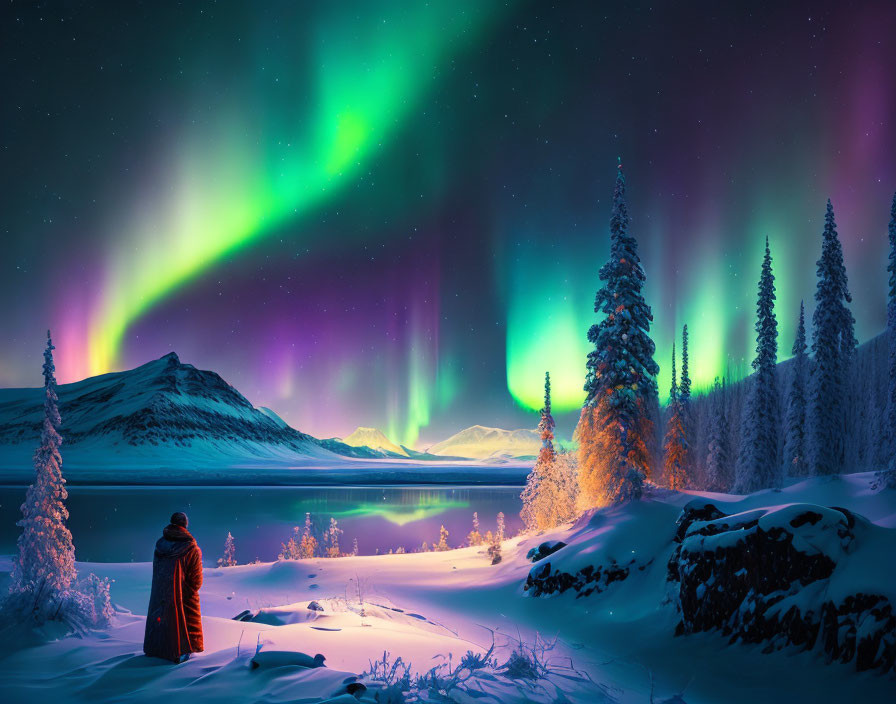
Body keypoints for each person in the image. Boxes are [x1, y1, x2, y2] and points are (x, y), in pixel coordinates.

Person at [143, 511, 204, 662]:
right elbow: (196, 580)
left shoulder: (160, 546)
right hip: (184, 596)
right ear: (185, 525)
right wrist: (187, 591)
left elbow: (159, 571)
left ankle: (158, 648)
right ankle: (182, 651)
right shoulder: (191, 548)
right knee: (185, 622)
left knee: (161, 619)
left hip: (161, 594)